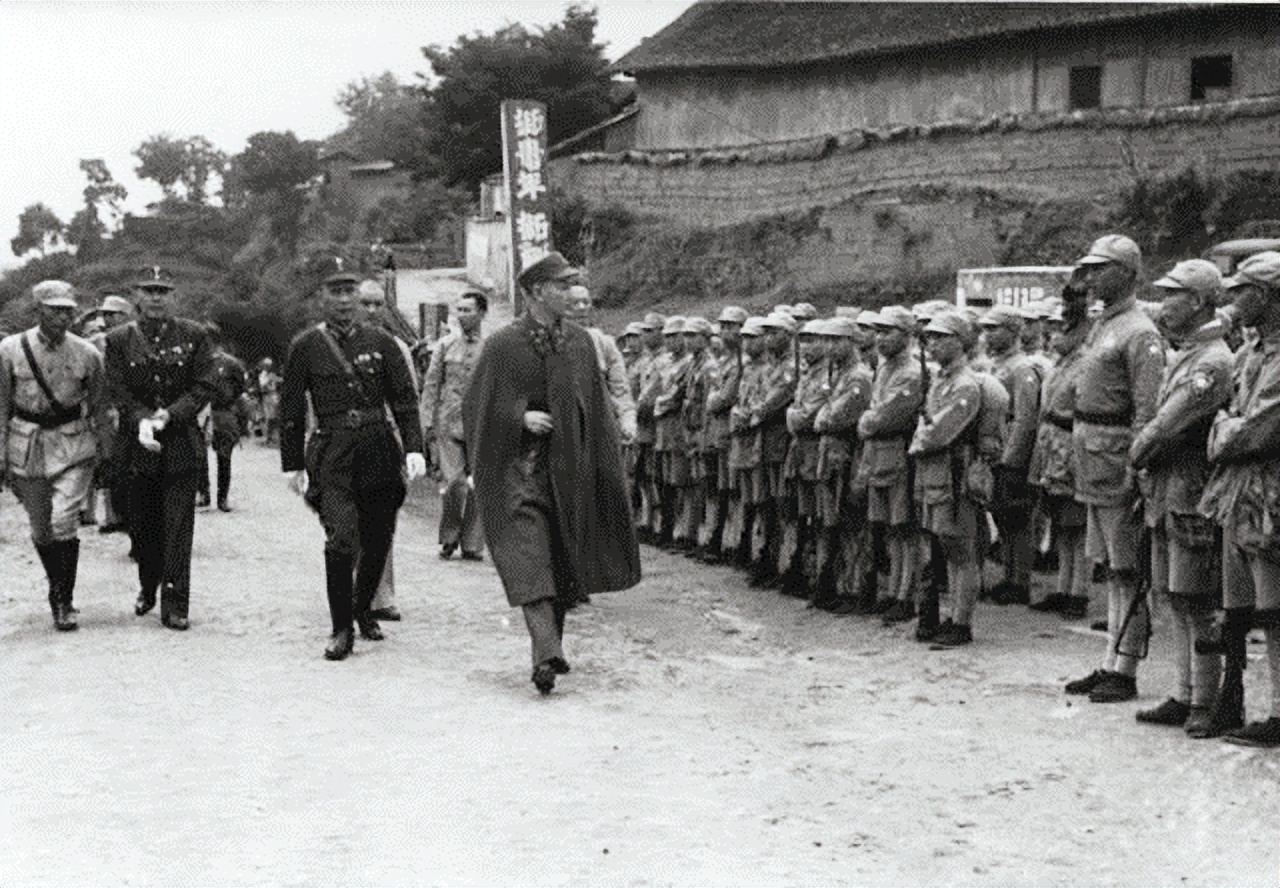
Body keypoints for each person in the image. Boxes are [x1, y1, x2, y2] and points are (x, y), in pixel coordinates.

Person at [464, 251, 641, 695]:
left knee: (560, 559)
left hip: (568, 471)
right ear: (537, 292)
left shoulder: (580, 343)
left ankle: (546, 654)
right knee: (528, 558)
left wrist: (604, 467)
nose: (571, 295)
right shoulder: (503, 345)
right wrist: (519, 418)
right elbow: (477, 406)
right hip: (516, 472)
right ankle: (546, 648)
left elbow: (596, 409)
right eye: (561, 286)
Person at [279, 261, 425, 660]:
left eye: (349, 292)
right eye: (335, 292)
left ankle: (363, 607)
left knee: (379, 538)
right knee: (341, 539)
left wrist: (413, 447)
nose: (343, 300)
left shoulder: (381, 342)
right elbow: (290, 408)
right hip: (333, 453)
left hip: (378, 449)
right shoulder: (305, 346)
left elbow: (405, 400)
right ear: (321, 297)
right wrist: (292, 463)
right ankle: (341, 627)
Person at [1129, 260, 1234, 735]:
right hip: (1170, 486)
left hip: (1190, 488)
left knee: (1197, 598)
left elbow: (1167, 423)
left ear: (1197, 301)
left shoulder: (1211, 360)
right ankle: (1186, 692)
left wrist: (1138, 451)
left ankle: (1205, 700)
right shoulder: (1189, 352)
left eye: (1173, 294)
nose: (1164, 303)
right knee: (1175, 595)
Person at [1063, 235, 1166, 703]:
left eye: (1101, 268)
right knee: (1109, 565)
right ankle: (1110, 658)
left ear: (1127, 272)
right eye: (1089, 269)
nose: (1091, 277)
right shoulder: (1104, 324)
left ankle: (1125, 666)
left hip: (1116, 455)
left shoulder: (1139, 332)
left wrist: (1136, 466)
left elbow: (1148, 410)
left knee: (1128, 568)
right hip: (1091, 453)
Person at [105, 267, 218, 631]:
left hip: (180, 444)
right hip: (136, 447)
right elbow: (118, 389)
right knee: (141, 524)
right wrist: (141, 418)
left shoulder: (195, 336)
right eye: (149, 290)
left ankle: (175, 602)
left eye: (163, 290)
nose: (156, 297)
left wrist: (170, 415)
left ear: (174, 295)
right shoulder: (119, 339)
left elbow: (203, 386)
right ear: (137, 295)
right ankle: (147, 584)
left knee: (178, 527)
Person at [1198, 251, 1280, 747]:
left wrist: (1227, 429)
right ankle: (1233, 698)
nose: (1231, 300)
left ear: (1268, 296)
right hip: (1241, 491)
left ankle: (1277, 710)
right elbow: (1226, 419)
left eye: (1242, 290)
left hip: (1269, 490)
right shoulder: (1250, 355)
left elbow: (1254, 431)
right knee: (1240, 603)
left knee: (1275, 606)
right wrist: (1228, 428)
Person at [0, 281, 110, 630]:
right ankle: (56, 583)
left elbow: (100, 408)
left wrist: (107, 454)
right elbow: (2, 405)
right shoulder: (10, 350)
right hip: (27, 445)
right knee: (41, 527)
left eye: (68, 309)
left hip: (72, 445)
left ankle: (62, 599)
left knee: (64, 520)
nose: (63, 316)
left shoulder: (88, 354)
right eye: (55, 309)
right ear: (38, 310)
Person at [357, 277, 420, 621]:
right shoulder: (331, 345)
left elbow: (409, 401)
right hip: (345, 444)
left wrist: (413, 448)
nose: (370, 310)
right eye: (364, 303)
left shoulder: (397, 348)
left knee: (381, 519)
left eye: (377, 304)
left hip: (385, 443)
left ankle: (381, 596)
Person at [856, 307, 923, 614]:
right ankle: (894, 589)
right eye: (878, 332)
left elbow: (885, 417)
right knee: (889, 529)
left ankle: (905, 594)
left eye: (888, 332)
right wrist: (870, 419)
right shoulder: (884, 369)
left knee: (904, 529)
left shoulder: (911, 373)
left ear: (907, 336)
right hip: (877, 455)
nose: (880, 338)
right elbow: (874, 413)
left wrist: (869, 420)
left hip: (898, 455)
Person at [978, 305, 1043, 606]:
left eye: (995, 329)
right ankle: (1009, 575)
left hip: (1012, 453)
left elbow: (1026, 418)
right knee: (1003, 517)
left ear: (1013, 331)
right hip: (994, 452)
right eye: (987, 329)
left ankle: (1020, 581)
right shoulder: (996, 366)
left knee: (1019, 519)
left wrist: (1013, 458)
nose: (988, 334)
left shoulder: (1022, 369)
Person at [810, 316, 873, 612]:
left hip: (846, 458)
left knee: (849, 526)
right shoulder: (841, 374)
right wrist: (823, 416)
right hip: (832, 456)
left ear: (851, 342)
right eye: (827, 340)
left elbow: (836, 416)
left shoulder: (858, 377)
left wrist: (823, 417)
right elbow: (824, 414)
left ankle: (853, 587)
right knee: (831, 524)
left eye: (836, 340)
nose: (829, 346)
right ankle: (837, 585)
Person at [421, 289, 488, 561]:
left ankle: (472, 544)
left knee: (478, 485)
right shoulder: (445, 346)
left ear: (482, 313)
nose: (462, 315)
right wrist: (425, 421)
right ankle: (449, 537)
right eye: (458, 310)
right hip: (449, 424)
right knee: (455, 483)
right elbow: (431, 385)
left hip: (482, 425)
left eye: (467, 309)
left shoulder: (492, 347)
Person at [205, 334, 250, 512]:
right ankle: (203, 493)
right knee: (197, 455)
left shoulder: (230, 364)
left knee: (224, 455)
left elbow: (240, 385)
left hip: (221, 411)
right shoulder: (196, 361)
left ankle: (222, 497)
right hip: (199, 411)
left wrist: (228, 398)